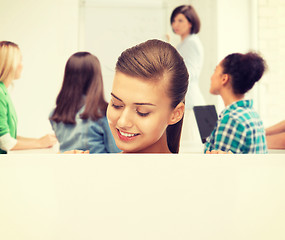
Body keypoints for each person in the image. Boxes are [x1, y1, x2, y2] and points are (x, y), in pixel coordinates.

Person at [106, 39, 189, 153]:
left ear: (175, 114)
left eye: (142, 112)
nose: (122, 122)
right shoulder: (94, 168)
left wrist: (218, 166)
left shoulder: (195, 169)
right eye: (116, 105)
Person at [50, 52, 120, 153]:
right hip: (98, 168)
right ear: (96, 78)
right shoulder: (102, 113)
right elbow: (117, 153)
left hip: (65, 167)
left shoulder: (55, 115)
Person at [204, 52, 268, 154]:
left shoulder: (231, 119)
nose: (211, 77)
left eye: (215, 70)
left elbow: (218, 167)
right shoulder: (253, 115)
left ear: (224, 78)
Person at [0, 41, 57, 154]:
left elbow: (9, 136)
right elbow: (5, 142)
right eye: (19, 60)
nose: (22, 65)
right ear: (9, 63)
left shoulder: (4, 92)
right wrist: (40, 143)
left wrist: (40, 141)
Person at [170, 5, 205, 109]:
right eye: (174, 20)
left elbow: (189, 73)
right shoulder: (184, 43)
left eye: (180, 20)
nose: (175, 24)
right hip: (187, 99)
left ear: (190, 23)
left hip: (190, 101)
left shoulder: (191, 42)